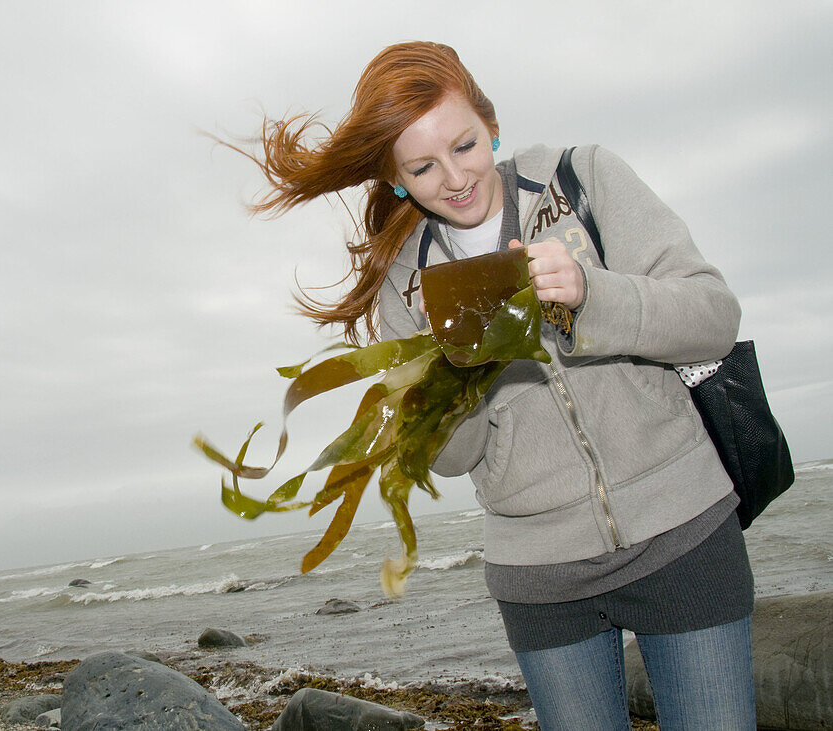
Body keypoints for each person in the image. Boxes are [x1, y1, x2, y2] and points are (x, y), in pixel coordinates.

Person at [231, 41, 756, 730]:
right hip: (541, 578)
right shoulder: (405, 283)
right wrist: (457, 370)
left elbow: (713, 317)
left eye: (466, 144)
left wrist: (590, 296)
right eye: (421, 166)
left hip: (682, 533)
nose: (454, 177)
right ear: (394, 179)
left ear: (492, 124)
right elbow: (450, 457)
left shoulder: (582, 180)